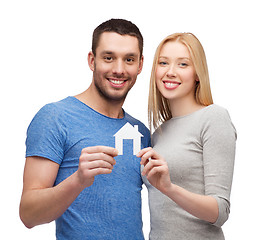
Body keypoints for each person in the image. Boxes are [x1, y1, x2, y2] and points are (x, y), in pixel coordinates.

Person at [20, 18, 150, 240]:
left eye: (129, 59)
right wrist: (78, 180)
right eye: (108, 58)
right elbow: (28, 215)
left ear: (140, 65)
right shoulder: (55, 117)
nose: (119, 69)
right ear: (92, 61)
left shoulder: (140, 132)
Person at [137, 33, 236, 239]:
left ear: (197, 73)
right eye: (163, 63)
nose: (170, 72)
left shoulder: (213, 118)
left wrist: (170, 188)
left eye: (183, 64)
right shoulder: (158, 135)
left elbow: (220, 211)